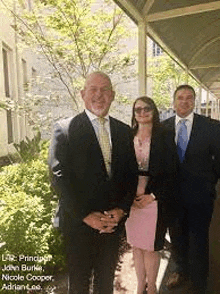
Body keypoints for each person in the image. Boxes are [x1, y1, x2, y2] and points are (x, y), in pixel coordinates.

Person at [48, 71, 138, 294]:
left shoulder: (124, 131)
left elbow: (131, 174)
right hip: (79, 224)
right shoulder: (65, 129)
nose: (99, 95)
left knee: (105, 283)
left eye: (105, 90)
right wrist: (86, 216)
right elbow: (58, 176)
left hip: (112, 224)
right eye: (93, 89)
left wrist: (121, 210)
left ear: (113, 95)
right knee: (78, 284)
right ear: (83, 94)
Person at [163, 85, 220, 293]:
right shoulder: (163, 127)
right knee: (177, 238)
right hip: (172, 198)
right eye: (180, 98)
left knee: (199, 239)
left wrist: (209, 183)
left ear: (194, 102)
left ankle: (199, 281)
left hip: (200, 196)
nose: (184, 102)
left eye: (189, 98)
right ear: (174, 101)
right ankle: (181, 271)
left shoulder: (212, 127)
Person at [125, 96, 178, 294]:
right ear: (134, 113)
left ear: (154, 110)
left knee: (151, 247)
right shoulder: (127, 135)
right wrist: (126, 196)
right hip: (131, 201)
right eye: (137, 109)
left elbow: (172, 171)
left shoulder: (164, 134)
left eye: (147, 108)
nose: (142, 112)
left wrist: (153, 195)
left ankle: (152, 287)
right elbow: (121, 169)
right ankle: (140, 287)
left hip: (153, 200)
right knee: (136, 246)